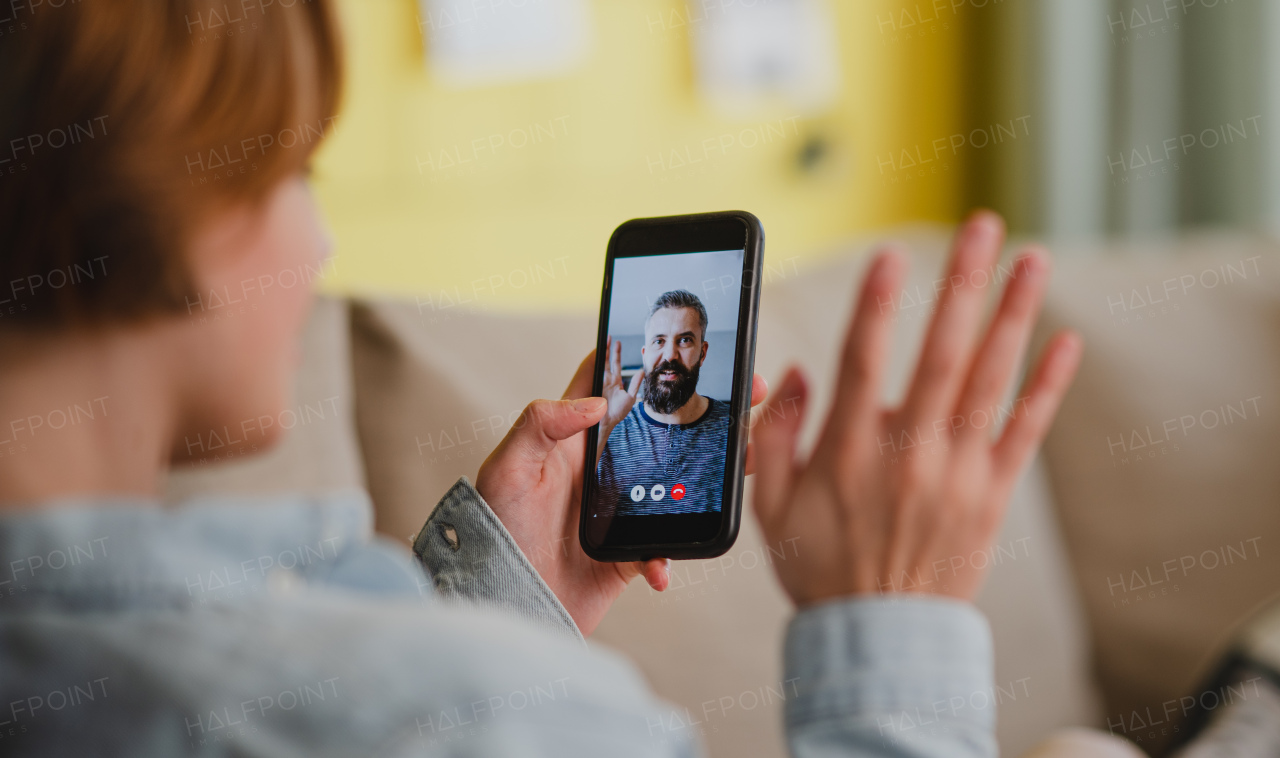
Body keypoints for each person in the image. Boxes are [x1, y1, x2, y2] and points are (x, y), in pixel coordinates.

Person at [0, 1, 1126, 756]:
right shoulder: (467, 713)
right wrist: (890, 618)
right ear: (156, 202)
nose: (321, 248)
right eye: (295, 170)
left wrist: (495, 599)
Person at [596, 289, 729, 516]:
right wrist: (602, 428)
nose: (670, 355)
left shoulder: (732, 425)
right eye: (659, 341)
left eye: (685, 340)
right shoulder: (608, 427)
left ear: (703, 352)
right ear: (645, 354)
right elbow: (572, 500)